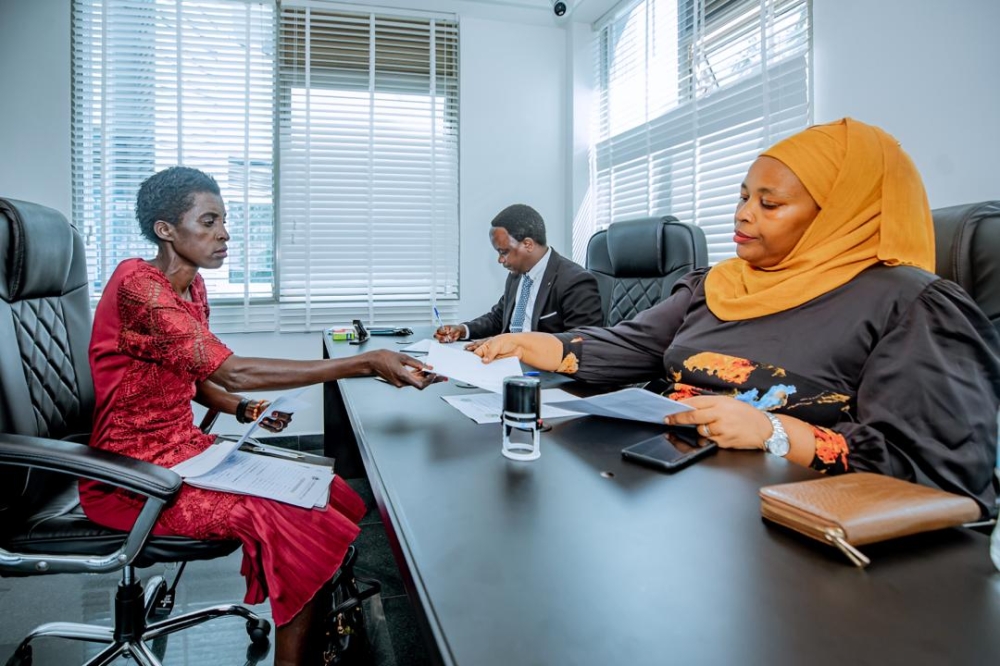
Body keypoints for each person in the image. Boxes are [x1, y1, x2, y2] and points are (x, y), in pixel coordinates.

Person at [473, 118, 1000, 516]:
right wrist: (535, 345)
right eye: (745, 196)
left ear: (838, 217)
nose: (743, 214)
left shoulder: (911, 306)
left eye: (770, 205)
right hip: (673, 488)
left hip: (788, 518)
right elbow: (635, 343)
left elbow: (935, 471)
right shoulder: (719, 282)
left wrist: (775, 430)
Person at [79, 166, 439, 666]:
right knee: (296, 515)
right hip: (131, 475)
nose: (225, 233)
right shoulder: (139, 287)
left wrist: (241, 408)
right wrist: (363, 362)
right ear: (166, 230)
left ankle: (324, 633)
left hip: (186, 452)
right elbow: (234, 370)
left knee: (328, 489)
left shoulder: (191, 288)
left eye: (224, 221)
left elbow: (198, 377)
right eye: (209, 221)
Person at [434, 203, 603, 343]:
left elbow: (581, 342)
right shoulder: (516, 275)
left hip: (543, 369)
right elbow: (499, 318)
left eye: (504, 252)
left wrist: (514, 345)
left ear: (528, 244)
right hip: (508, 363)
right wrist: (463, 330)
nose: (500, 260)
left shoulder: (575, 281)